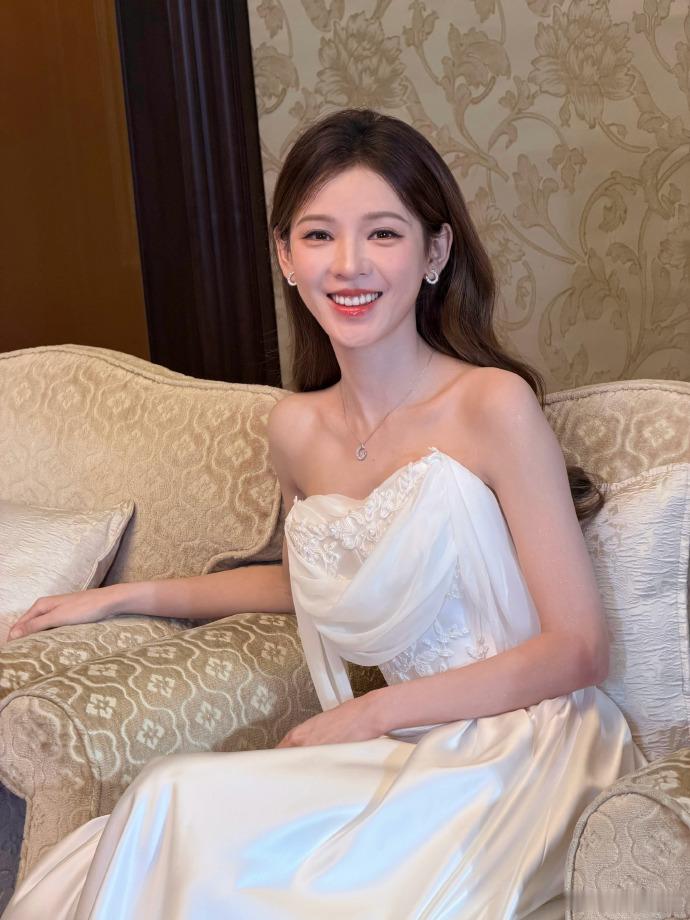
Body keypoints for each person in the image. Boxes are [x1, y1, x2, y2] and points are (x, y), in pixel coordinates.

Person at [4, 108, 644, 920]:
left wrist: (368, 712)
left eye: (383, 233)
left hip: (525, 744)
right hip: (406, 746)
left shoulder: (492, 406)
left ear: (435, 252)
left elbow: (579, 649)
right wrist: (122, 595)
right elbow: (303, 582)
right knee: (161, 807)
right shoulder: (297, 430)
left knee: (176, 805)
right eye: (318, 235)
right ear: (285, 256)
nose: (349, 265)